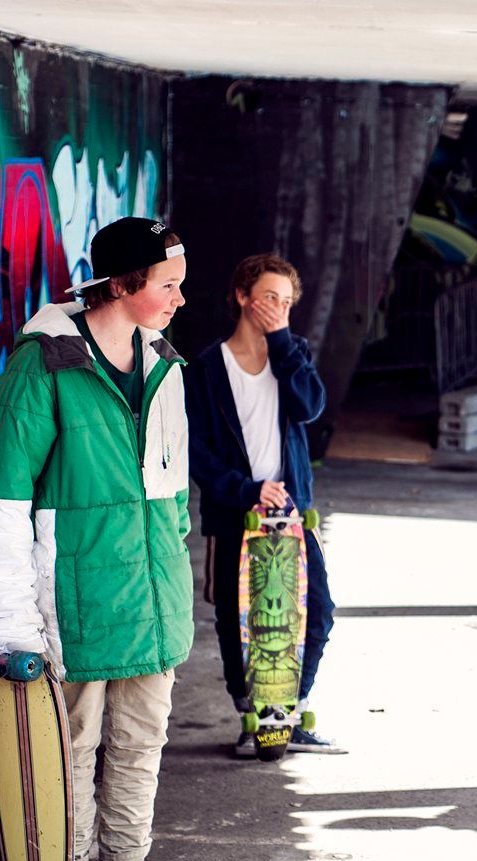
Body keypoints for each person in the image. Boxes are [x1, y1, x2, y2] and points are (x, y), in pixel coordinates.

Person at [0, 216, 198, 861]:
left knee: (140, 743)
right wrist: (9, 626)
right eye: (167, 286)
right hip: (76, 604)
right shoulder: (45, 365)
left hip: (152, 601)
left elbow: (174, 491)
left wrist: (175, 564)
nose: (179, 300)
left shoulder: (164, 361)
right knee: (68, 751)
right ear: (124, 286)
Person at [184, 253, 341, 755]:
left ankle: (287, 713)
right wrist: (245, 489)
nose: (278, 307)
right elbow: (197, 451)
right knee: (237, 619)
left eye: (287, 301)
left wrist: (283, 343)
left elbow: (311, 408)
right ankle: (251, 717)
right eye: (270, 297)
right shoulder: (207, 367)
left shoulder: (293, 352)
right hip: (237, 513)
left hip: (292, 516)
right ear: (242, 297)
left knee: (317, 612)